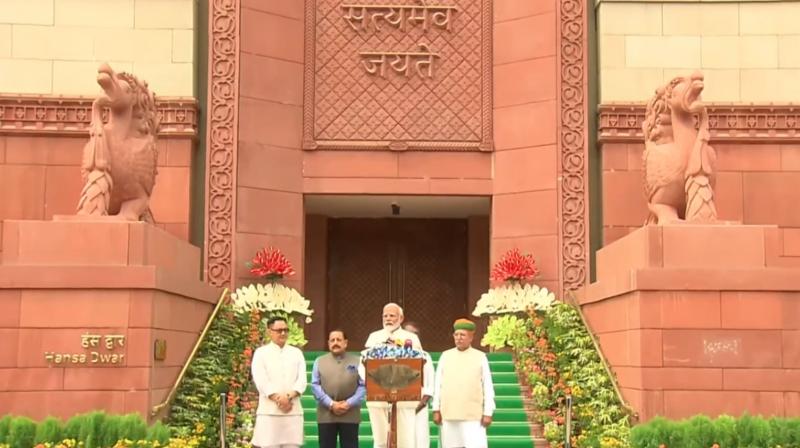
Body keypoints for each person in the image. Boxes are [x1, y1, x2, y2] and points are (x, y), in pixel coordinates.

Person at [363, 303, 422, 448]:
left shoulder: (411, 338)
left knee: (405, 440)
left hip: (404, 396)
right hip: (378, 395)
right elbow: (363, 363)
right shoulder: (374, 337)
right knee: (380, 440)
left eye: (392, 315)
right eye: (385, 316)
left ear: (401, 318)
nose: (388, 319)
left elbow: (419, 364)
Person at [432, 318, 495, 448]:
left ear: (471, 337)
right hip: (449, 414)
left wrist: (488, 412)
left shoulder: (480, 357)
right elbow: (438, 384)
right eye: (456, 335)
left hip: (473, 416)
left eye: (463, 335)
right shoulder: (445, 356)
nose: (459, 338)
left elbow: (488, 386)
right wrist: (436, 409)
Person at [251, 316, 307, 448]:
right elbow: (260, 380)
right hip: (269, 412)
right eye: (279, 330)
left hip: (292, 411)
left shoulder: (297, 353)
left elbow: (302, 380)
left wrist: (288, 397)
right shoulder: (261, 353)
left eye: (286, 330)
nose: (283, 333)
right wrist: (278, 398)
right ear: (269, 331)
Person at [311, 329, 366, 448]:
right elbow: (315, 385)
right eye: (332, 340)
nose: (335, 342)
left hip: (350, 414)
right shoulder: (319, 361)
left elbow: (363, 385)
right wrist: (331, 404)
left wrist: (348, 403)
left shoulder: (358, 361)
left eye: (339, 340)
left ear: (345, 343)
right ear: (328, 343)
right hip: (326, 414)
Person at [402, 322, 434, 448]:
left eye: (415, 334)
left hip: (419, 407)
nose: (411, 336)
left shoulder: (425, 357)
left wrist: (420, 405)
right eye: (408, 333)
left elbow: (430, 385)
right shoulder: (393, 355)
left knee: (419, 440)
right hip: (399, 408)